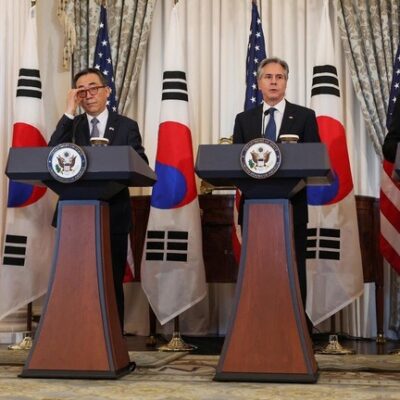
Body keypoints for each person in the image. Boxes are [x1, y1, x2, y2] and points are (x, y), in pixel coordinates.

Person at [49, 67, 148, 332]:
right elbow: (51, 155)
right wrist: (69, 111)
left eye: (94, 88)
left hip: (113, 215)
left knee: (110, 280)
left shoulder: (126, 126)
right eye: (82, 90)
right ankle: (74, 336)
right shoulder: (72, 125)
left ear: (107, 91)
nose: (89, 94)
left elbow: (140, 164)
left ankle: (113, 339)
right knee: (73, 280)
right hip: (74, 217)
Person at [233, 57, 320, 307]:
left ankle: (296, 325)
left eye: (279, 77)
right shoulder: (244, 120)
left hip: (293, 207)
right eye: (268, 77)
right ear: (259, 83)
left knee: (294, 270)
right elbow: (236, 161)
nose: (273, 82)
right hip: (254, 208)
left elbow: (314, 158)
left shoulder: (304, 116)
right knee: (256, 271)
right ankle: (255, 323)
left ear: (286, 82)